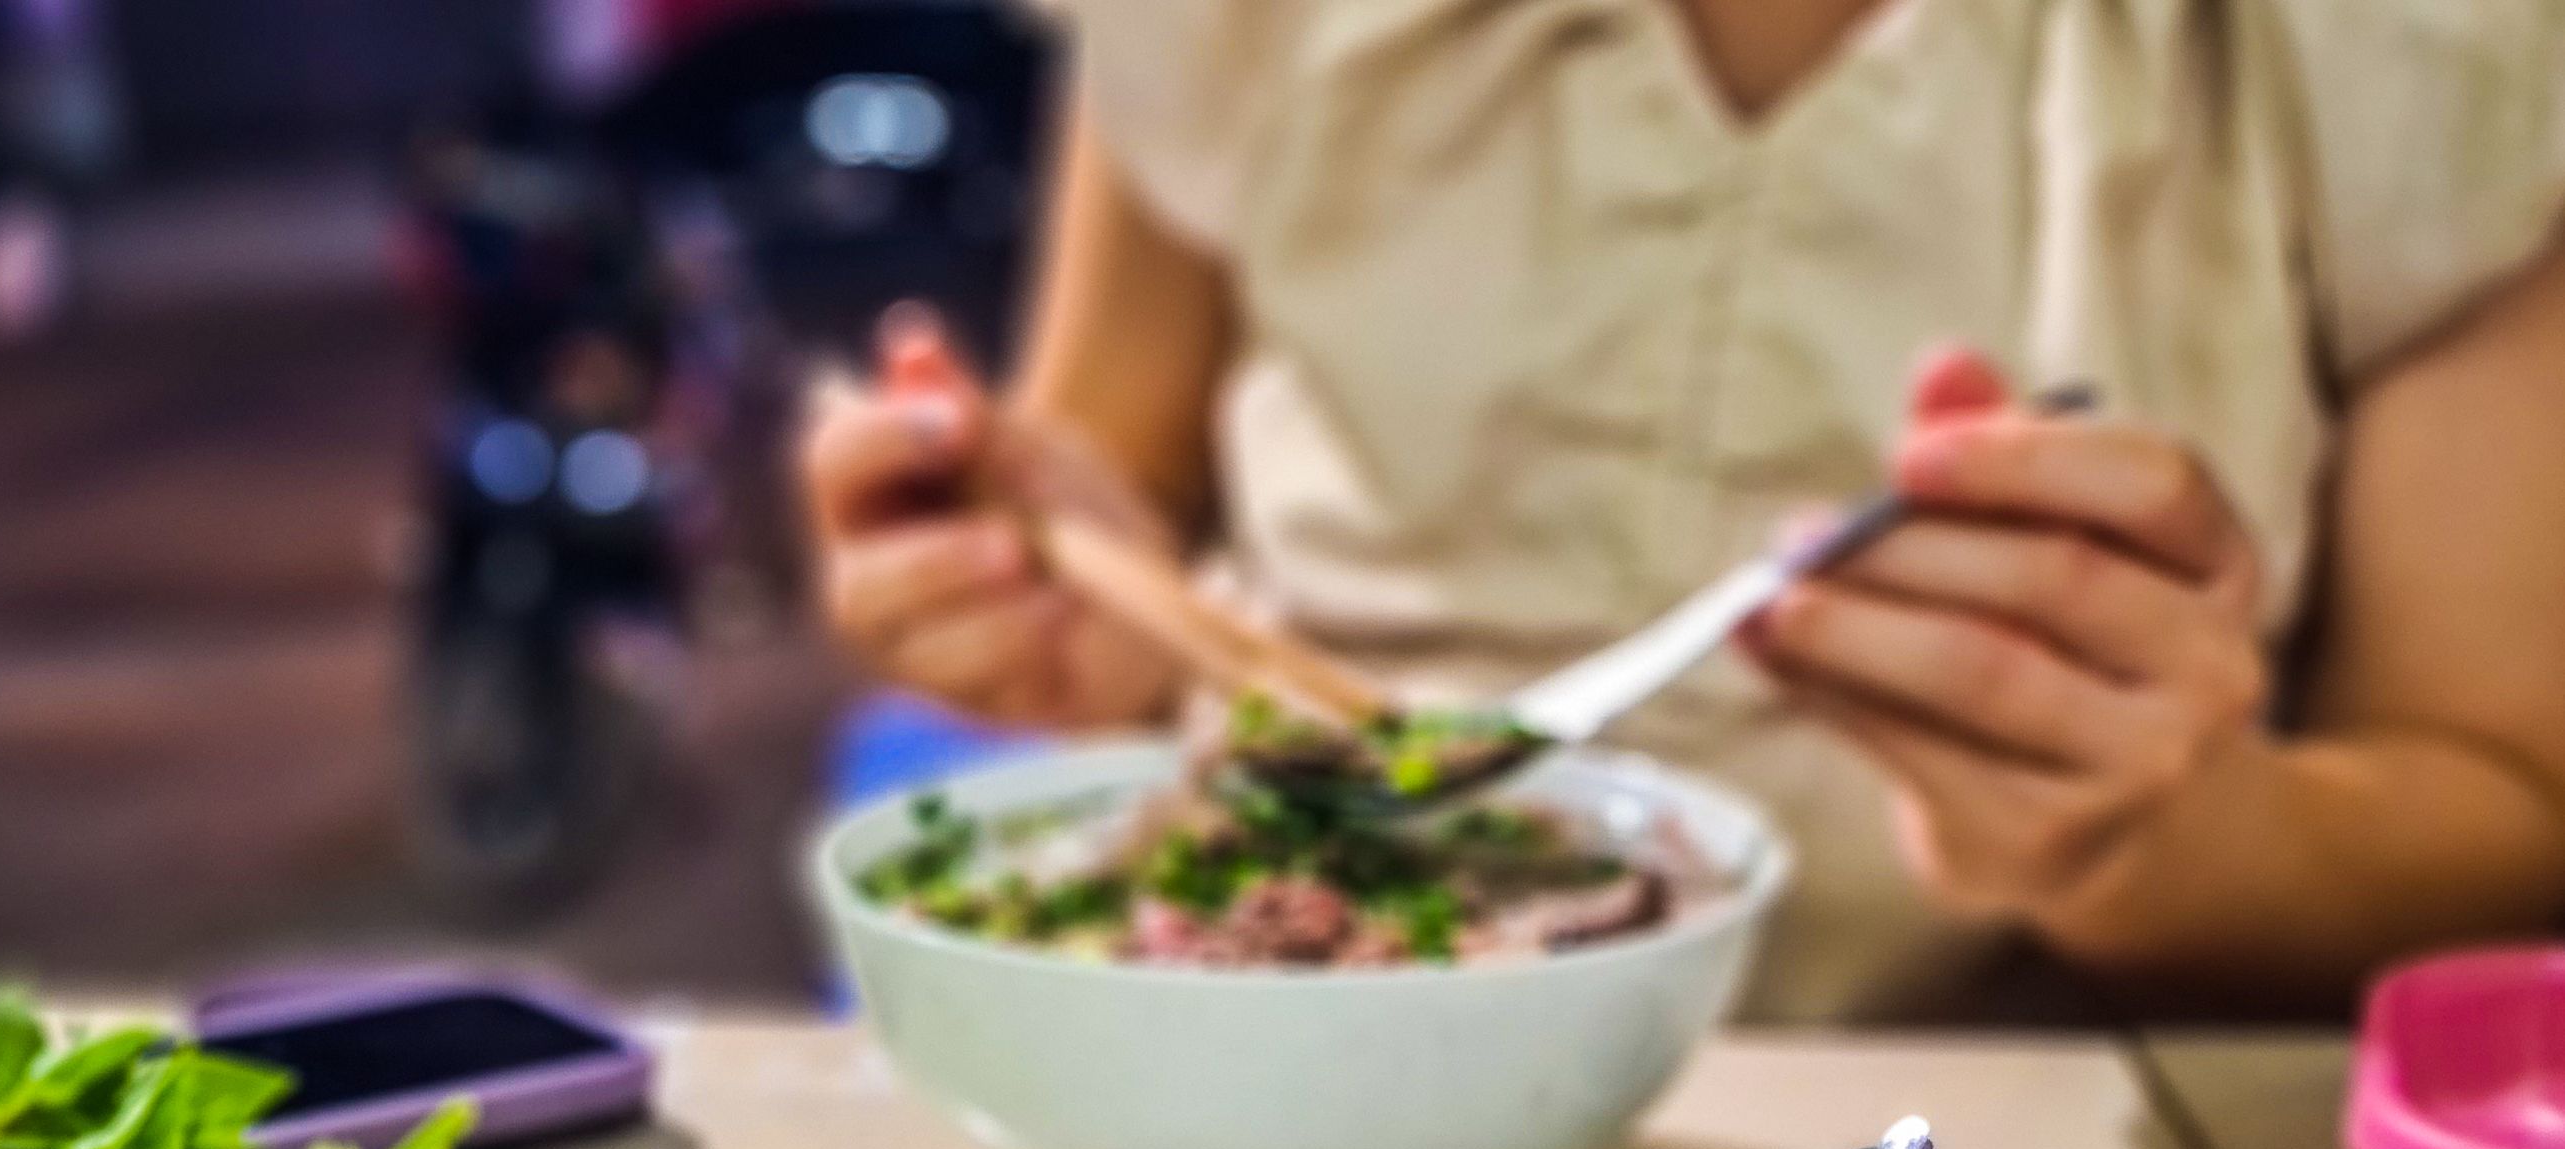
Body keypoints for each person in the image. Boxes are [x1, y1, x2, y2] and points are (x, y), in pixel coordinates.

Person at [803, 0, 2565, 1019]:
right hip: (1250, 1036)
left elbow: (2504, 803)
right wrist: (1040, 597)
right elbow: (1120, 492)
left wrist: (2167, 836)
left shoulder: (2415, 58)